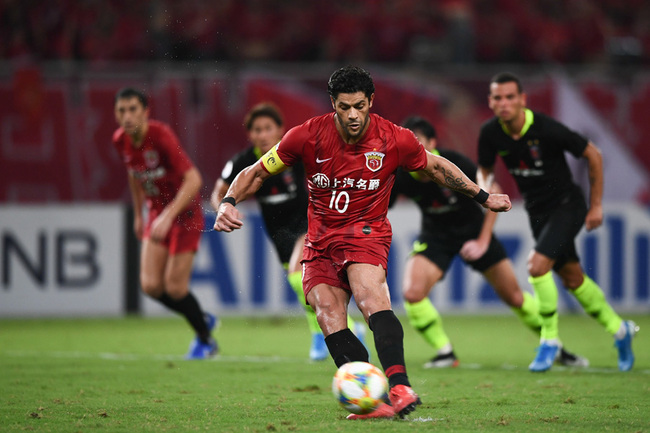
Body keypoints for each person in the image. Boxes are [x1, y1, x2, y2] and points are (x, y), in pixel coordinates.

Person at [213, 66, 511, 419]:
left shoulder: (394, 138)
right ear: (333, 104)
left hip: (365, 232)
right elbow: (258, 170)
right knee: (326, 311)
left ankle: (399, 386)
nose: (352, 115)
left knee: (370, 296)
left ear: (371, 100)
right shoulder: (306, 135)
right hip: (321, 239)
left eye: (359, 106)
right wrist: (228, 203)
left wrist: (482, 195)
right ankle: (375, 401)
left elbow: (434, 166)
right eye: (344, 107)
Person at [392, 116, 588, 369]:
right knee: (412, 293)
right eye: (411, 144)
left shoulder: (453, 164)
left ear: (433, 143)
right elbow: (380, 204)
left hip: (475, 233)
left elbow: (491, 192)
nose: (416, 149)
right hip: (436, 237)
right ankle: (445, 353)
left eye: (421, 143)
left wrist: (483, 241)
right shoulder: (402, 173)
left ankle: (556, 346)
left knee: (515, 298)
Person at [477, 72, 638, 372]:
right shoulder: (490, 133)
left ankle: (549, 341)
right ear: (490, 102)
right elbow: (484, 170)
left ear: (522, 100)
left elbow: (593, 154)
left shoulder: (545, 128)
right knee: (573, 279)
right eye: (497, 98)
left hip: (567, 205)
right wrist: (484, 189)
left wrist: (596, 205)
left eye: (510, 97)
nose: (504, 103)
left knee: (537, 267)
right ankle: (620, 330)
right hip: (538, 212)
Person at [209, 102, 365, 362]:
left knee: (297, 274)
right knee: (305, 284)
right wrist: (222, 209)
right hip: (278, 233)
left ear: (279, 130)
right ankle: (348, 326)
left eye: (268, 128)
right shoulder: (245, 162)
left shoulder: (293, 153)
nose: (262, 134)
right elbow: (219, 192)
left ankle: (320, 335)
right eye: (257, 130)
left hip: (310, 225)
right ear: (250, 135)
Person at [113, 88, 218, 360]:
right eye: (122, 110)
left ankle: (206, 341)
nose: (127, 116)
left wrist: (167, 215)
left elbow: (194, 180)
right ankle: (201, 318)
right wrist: (139, 214)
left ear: (146, 111)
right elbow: (134, 175)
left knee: (174, 288)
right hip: (157, 214)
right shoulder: (120, 140)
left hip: (183, 214)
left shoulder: (160, 136)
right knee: (150, 287)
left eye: (133, 109)